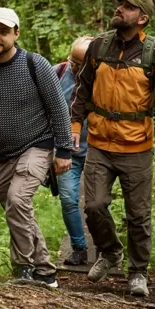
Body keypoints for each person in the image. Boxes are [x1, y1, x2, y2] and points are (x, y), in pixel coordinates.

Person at [70, 0, 155, 297]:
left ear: (142, 18)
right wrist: (75, 125)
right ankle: (110, 253)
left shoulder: (154, 53)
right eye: (120, 5)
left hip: (137, 147)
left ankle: (137, 272)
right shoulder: (98, 46)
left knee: (138, 215)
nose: (120, 9)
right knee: (93, 206)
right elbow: (82, 89)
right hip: (99, 144)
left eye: (128, 7)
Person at [0, 7, 74, 288]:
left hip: (38, 144)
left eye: (3, 32)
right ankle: (45, 271)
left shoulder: (36, 65)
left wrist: (64, 150)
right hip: (2, 152)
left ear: (16, 34)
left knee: (18, 200)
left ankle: (23, 267)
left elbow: (58, 108)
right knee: (14, 207)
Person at [56, 36, 94, 266]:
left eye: (82, 65)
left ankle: (105, 249)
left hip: (98, 151)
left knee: (98, 203)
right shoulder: (57, 73)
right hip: (66, 151)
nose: (76, 68)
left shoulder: (104, 77)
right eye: (74, 62)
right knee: (69, 199)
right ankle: (79, 248)